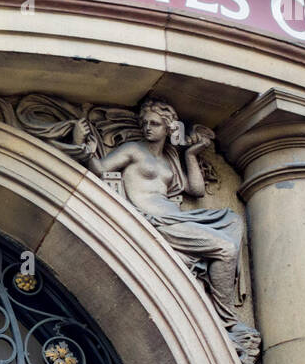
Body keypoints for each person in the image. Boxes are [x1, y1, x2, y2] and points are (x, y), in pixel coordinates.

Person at [81, 98, 244, 312]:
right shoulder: (133, 150)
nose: (148, 128)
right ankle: (227, 317)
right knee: (226, 248)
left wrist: (191, 153)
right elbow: (100, 168)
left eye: (155, 124)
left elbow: (196, 190)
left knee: (233, 219)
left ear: (168, 128)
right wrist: (82, 144)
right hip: (155, 221)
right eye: (145, 123)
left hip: (177, 217)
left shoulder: (170, 158)